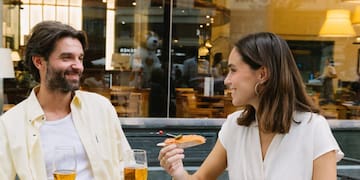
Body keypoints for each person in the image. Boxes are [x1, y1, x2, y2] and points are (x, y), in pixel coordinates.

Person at [158, 32, 343, 180]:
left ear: (262, 74)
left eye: (233, 70)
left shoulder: (313, 129)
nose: (227, 80)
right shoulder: (234, 126)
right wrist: (178, 172)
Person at [0, 21, 131, 180]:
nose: (78, 66)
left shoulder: (101, 108)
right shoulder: (11, 124)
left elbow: (126, 164)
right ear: (39, 62)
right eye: (67, 57)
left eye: (80, 58)